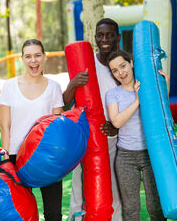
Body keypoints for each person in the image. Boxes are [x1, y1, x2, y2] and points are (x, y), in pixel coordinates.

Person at [0, 39, 64, 221]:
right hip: (15, 157)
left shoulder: (54, 87)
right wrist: (6, 159)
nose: (33, 61)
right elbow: (5, 126)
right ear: (22, 59)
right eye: (28, 56)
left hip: (46, 157)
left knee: (53, 214)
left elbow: (56, 127)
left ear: (44, 57)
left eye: (37, 55)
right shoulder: (9, 87)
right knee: (21, 213)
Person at [65, 18, 123, 221]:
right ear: (95, 38)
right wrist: (73, 85)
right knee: (80, 189)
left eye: (109, 35)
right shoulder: (87, 63)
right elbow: (64, 105)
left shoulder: (122, 66)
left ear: (118, 37)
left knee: (113, 189)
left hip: (113, 139)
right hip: (87, 138)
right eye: (100, 35)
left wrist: (117, 127)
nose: (105, 39)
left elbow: (134, 101)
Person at [105, 50, 166, 221]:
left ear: (131, 63)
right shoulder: (113, 94)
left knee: (155, 206)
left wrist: (164, 87)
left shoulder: (148, 86)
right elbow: (116, 122)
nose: (121, 73)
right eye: (115, 70)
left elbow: (162, 113)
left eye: (123, 66)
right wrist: (137, 101)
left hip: (150, 154)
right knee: (131, 209)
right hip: (125, 157)